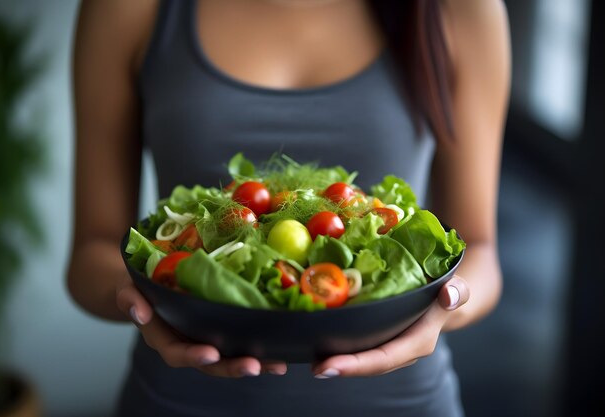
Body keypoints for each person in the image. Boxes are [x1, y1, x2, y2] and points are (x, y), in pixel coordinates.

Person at [67, 0, 509, 416]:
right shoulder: (127, 8)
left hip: (401, 403)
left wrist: (447, 305)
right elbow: (93, 252)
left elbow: (480, 250)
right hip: (182, 401)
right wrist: (142, 303)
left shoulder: (462, 9)